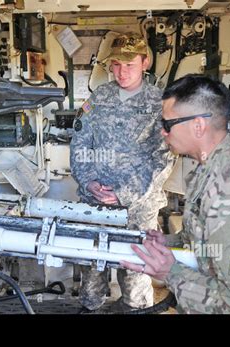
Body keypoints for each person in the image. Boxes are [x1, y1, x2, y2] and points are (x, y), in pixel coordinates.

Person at [121, 75, 230, 314]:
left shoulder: (229, 198)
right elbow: (211, 240)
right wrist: (169, 242)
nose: (163, 133)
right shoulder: (214, 167)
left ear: (198, 126)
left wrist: (171, 273)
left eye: (167, 124)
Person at [70, 32, 174, 311]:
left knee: (135, 270)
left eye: (129, 64)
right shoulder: (99, 98)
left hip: (137, 208)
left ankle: (136, 309)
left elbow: (163, 159)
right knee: (92, 264)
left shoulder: (159, 103)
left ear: (145, 62)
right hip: (96, 203)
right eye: (115, 64)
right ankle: (90, 307)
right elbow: (80, 141)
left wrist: (124, 194)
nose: (121, 71)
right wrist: (88, 180)